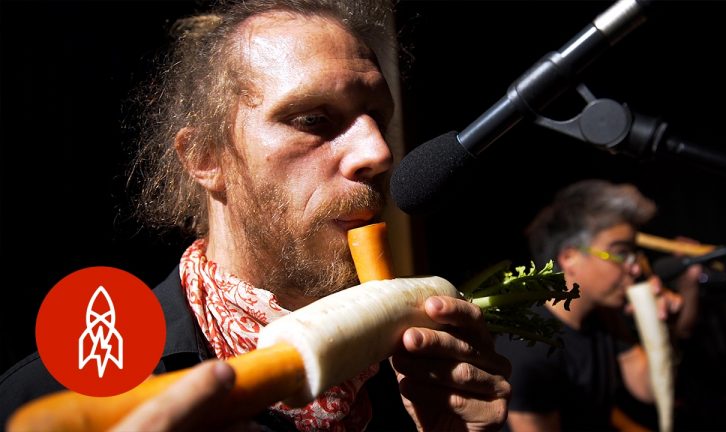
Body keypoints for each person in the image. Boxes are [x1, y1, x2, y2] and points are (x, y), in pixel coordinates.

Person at [0, 1, 511, 431]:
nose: (377, 152)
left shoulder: (423, 379)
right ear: (205, 158)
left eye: (377, 117)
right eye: (313, 120)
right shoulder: (66, 393)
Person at [495, 179, 701, 431]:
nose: (635, 267)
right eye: (621, 252)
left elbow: (648, 388)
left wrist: (662, 328)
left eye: (634, 254)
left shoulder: (604, 316)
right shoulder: (531, 346)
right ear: (570, 258)